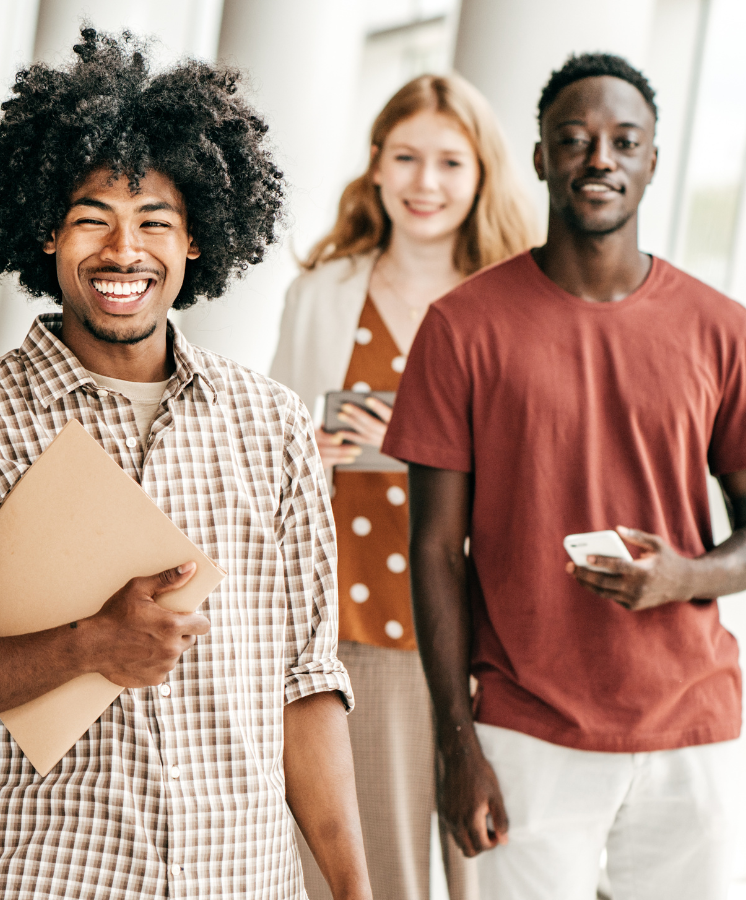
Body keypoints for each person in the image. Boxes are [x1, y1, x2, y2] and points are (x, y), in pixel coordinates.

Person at [0, 31, 370, 899]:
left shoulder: (271, 426)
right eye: (92, 217)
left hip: (241, 882)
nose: (123, 250)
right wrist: (87, 645)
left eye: (154, 221)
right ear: (46, 234)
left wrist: (357, 889)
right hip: (50, 882)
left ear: (197, 240)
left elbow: (306, 681)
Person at [380, 53, 746, 900]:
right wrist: (457, 743)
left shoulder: (723, 328)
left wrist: (683, 576)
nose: (599, 157)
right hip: (528, 727)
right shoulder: (461, 328)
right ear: (539, 158)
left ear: (651, 163)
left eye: (623, 141)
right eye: (575, 139)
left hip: (690, 727)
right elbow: (433, 551)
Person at [269, 73, 535, 900]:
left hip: (486, 630)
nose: (426, 182)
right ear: (376, 165)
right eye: (407, 157)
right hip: (356, 622)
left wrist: (418, 446)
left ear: (482, 174)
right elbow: (272, 451)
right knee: (366, 870)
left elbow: (542, 468)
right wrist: (306, 455)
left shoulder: (522, 300)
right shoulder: (321, 294)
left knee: (493, 867)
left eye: (450, 162)